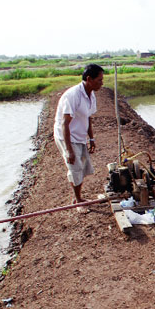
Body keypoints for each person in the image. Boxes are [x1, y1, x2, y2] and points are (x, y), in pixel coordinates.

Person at [53, 64, 104, 211]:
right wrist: (68, 150)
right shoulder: (73, 95)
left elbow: (88, 117)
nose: (102, 83)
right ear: (89, 79)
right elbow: (64, 124)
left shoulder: (91, 94)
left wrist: (91, 138)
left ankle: (78, 197)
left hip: (79, 135)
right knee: (75, 167)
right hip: (66, 136)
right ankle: (78, 201)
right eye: (99, 80)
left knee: (82, 167)